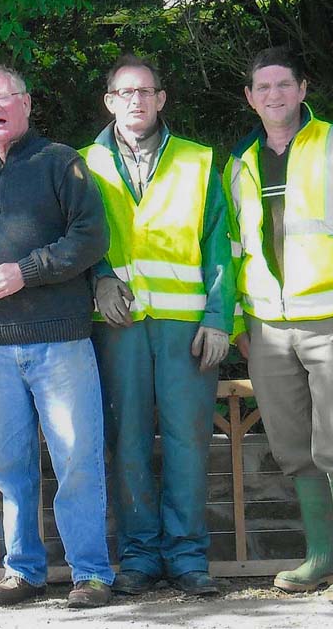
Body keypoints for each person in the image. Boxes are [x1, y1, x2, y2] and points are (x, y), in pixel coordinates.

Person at [225, 46, 333, 606]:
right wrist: (236, 322)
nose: (273, 95)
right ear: (250, 98)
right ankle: (321, 557)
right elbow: (232, 252)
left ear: (302, 90)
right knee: (292, 446)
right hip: (268, 328)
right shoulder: (241, 165)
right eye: (262, 87)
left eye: (283, 85)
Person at [0, 64, 116, 609]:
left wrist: (30, 269)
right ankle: (22, 571)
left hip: (59, 339)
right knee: (9, 463)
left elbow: (92, 237)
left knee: (76, 458)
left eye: (4, 97)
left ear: (26, 103)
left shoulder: (60, 162)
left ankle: (91, 574)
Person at [80, 55, 235, 597]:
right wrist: (99, 278)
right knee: (126, 441)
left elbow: (222, 246)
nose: (136, 101)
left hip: (185, 326)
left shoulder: (197, 161)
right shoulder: (83, 163)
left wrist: (220, 317)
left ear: (162, 98)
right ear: (109, 102)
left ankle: (189, 557)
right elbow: (78, 237)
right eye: (125, 92)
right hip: (117, 324)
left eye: (146, 91)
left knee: (188, 440)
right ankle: (140, 556)